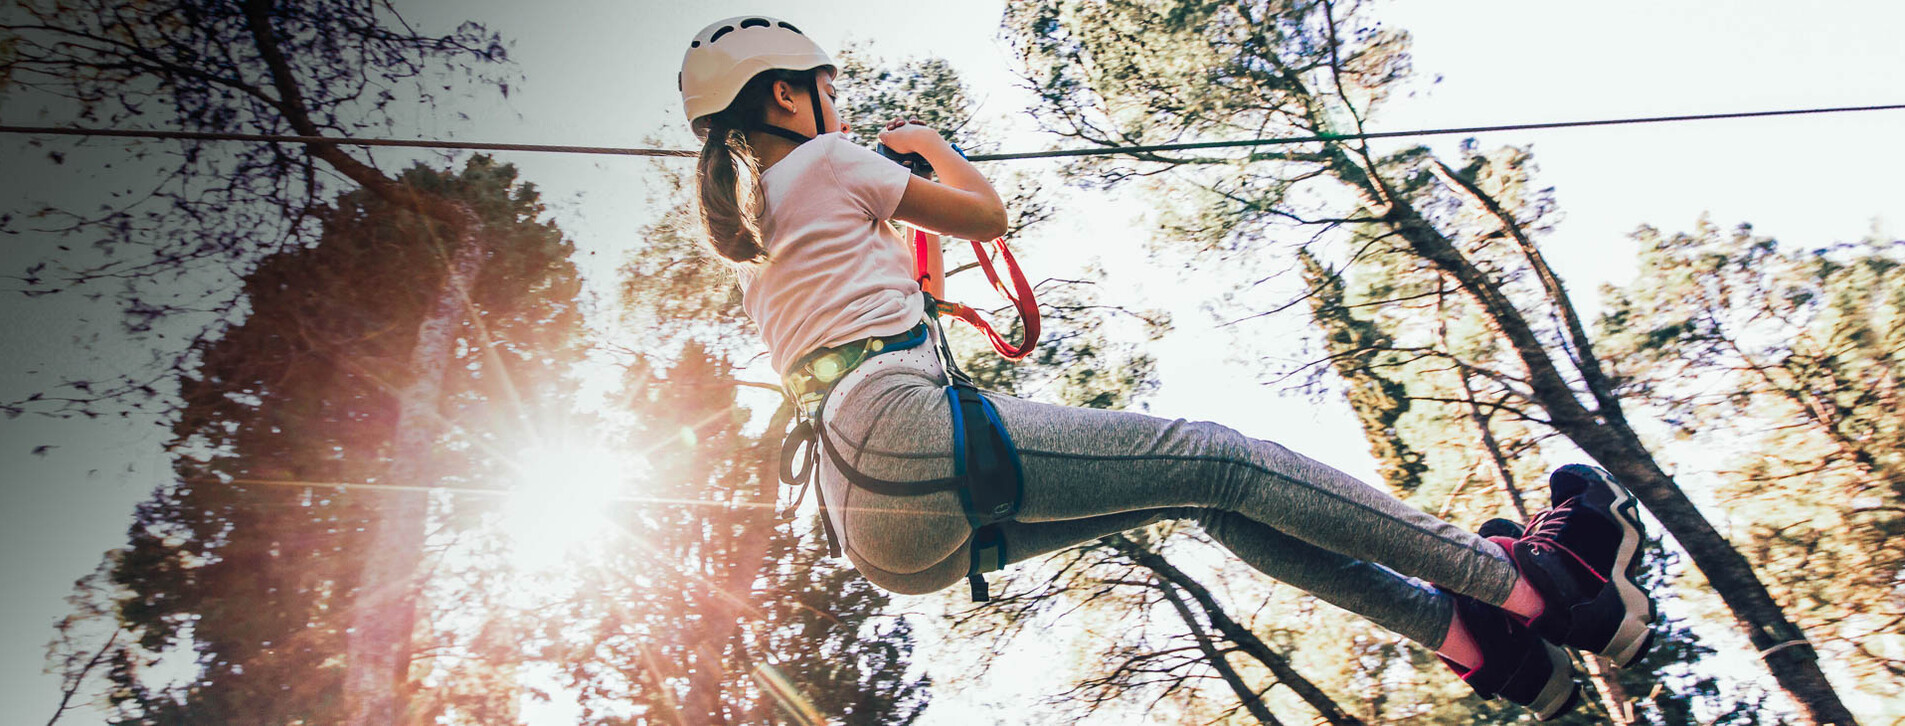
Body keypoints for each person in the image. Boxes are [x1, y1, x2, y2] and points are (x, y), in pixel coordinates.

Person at [677, 15, 1655, 721]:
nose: (840, 105)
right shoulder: (832, 161)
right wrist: (930, 148)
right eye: (828, 87)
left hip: (877, 529)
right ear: (784, 94)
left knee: (1204, 496)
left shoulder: (758, 245)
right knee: (1216, 457)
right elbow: (986, 216)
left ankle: (1476, 642)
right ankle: (1541, 587)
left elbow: (865, 310)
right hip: (906, 434)